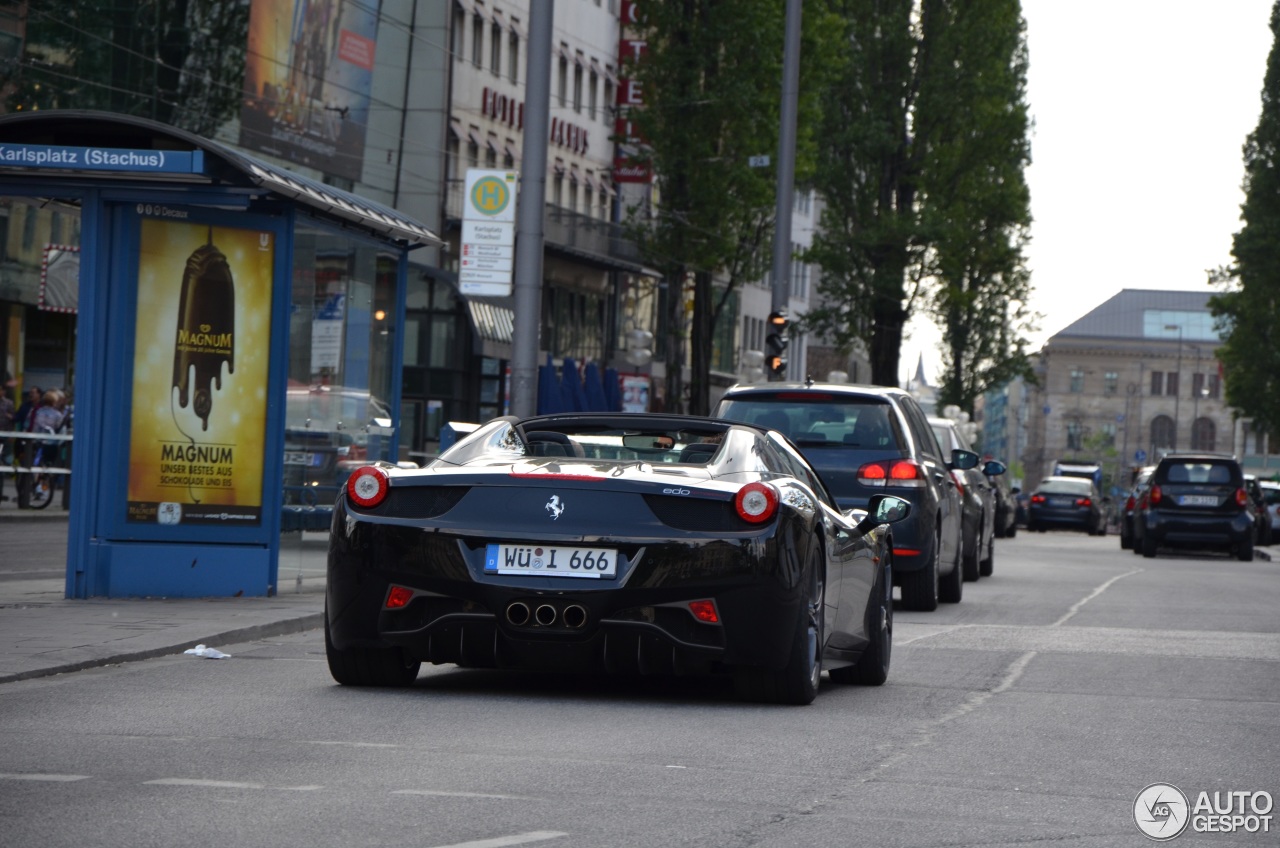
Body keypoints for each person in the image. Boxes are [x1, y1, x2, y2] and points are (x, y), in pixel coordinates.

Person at [0, 384, 13, 502]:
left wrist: (10, 434)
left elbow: (12, 419)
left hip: (3, 436)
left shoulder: (8, 403)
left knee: (2, 463)